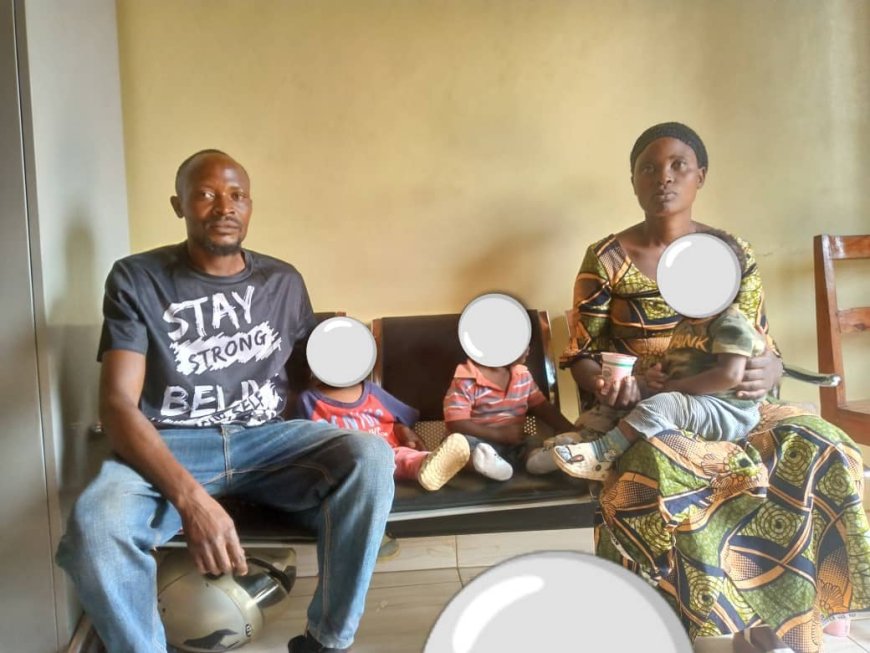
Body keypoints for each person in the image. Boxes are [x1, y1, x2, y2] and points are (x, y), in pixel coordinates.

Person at [55, 150, 395, 653]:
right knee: (96, 528)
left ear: (250, 205)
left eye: (237, 195)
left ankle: (326, 642)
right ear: (179, 205)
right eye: (206, 194)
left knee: (370, 456)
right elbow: (118, 405)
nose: (224, 206)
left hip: (267, 441)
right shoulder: (138, 279)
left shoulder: (283, 281)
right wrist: (194, 502)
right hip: (172, 445)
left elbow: (312, 376)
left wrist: (364, 398)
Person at [559, 122, 870, 652]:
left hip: (733, 401)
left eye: (678, 165)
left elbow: (760, 341)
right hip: (650, 405)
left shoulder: (731, 253)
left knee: (822, 443)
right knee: (667, 461)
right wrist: (614, 384)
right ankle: (700, 628)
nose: (663, 177)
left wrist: (772, 368)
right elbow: (581, 355)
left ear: (700, 176)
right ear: (632, 181)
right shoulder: (607, 258)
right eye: (648, 168)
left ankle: (792, 614)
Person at [554, 234, 767, 480]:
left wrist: (676, 386)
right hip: (692, 400)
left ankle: (603, 454)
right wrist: (655, 376)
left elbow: (729, 375)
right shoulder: (687, 324)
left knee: (664, 404)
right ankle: (586, 439)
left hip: (725, 410)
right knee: (633, 388)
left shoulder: (731, 323)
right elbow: (677, 359)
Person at [297, 378, 471, 491]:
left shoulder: (372, 392)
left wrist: (402, 429)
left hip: (390, 449)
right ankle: (428, 463)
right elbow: (301, 441)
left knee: (400, 456)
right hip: (350, 460)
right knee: (385, 458)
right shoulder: (308, 400)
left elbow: (407, 416)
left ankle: (432, 463)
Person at [444, 348, 575, 480]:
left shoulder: (523, 375)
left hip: (514, 441)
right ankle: (485, 464)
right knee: (460, 447)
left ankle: (538, 460)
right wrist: (499, 434)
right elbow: (456, 423)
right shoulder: (466, 379)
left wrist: (570, 429)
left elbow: (541, 406)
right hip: (479, 440)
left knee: (531, 442)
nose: (528, 349)